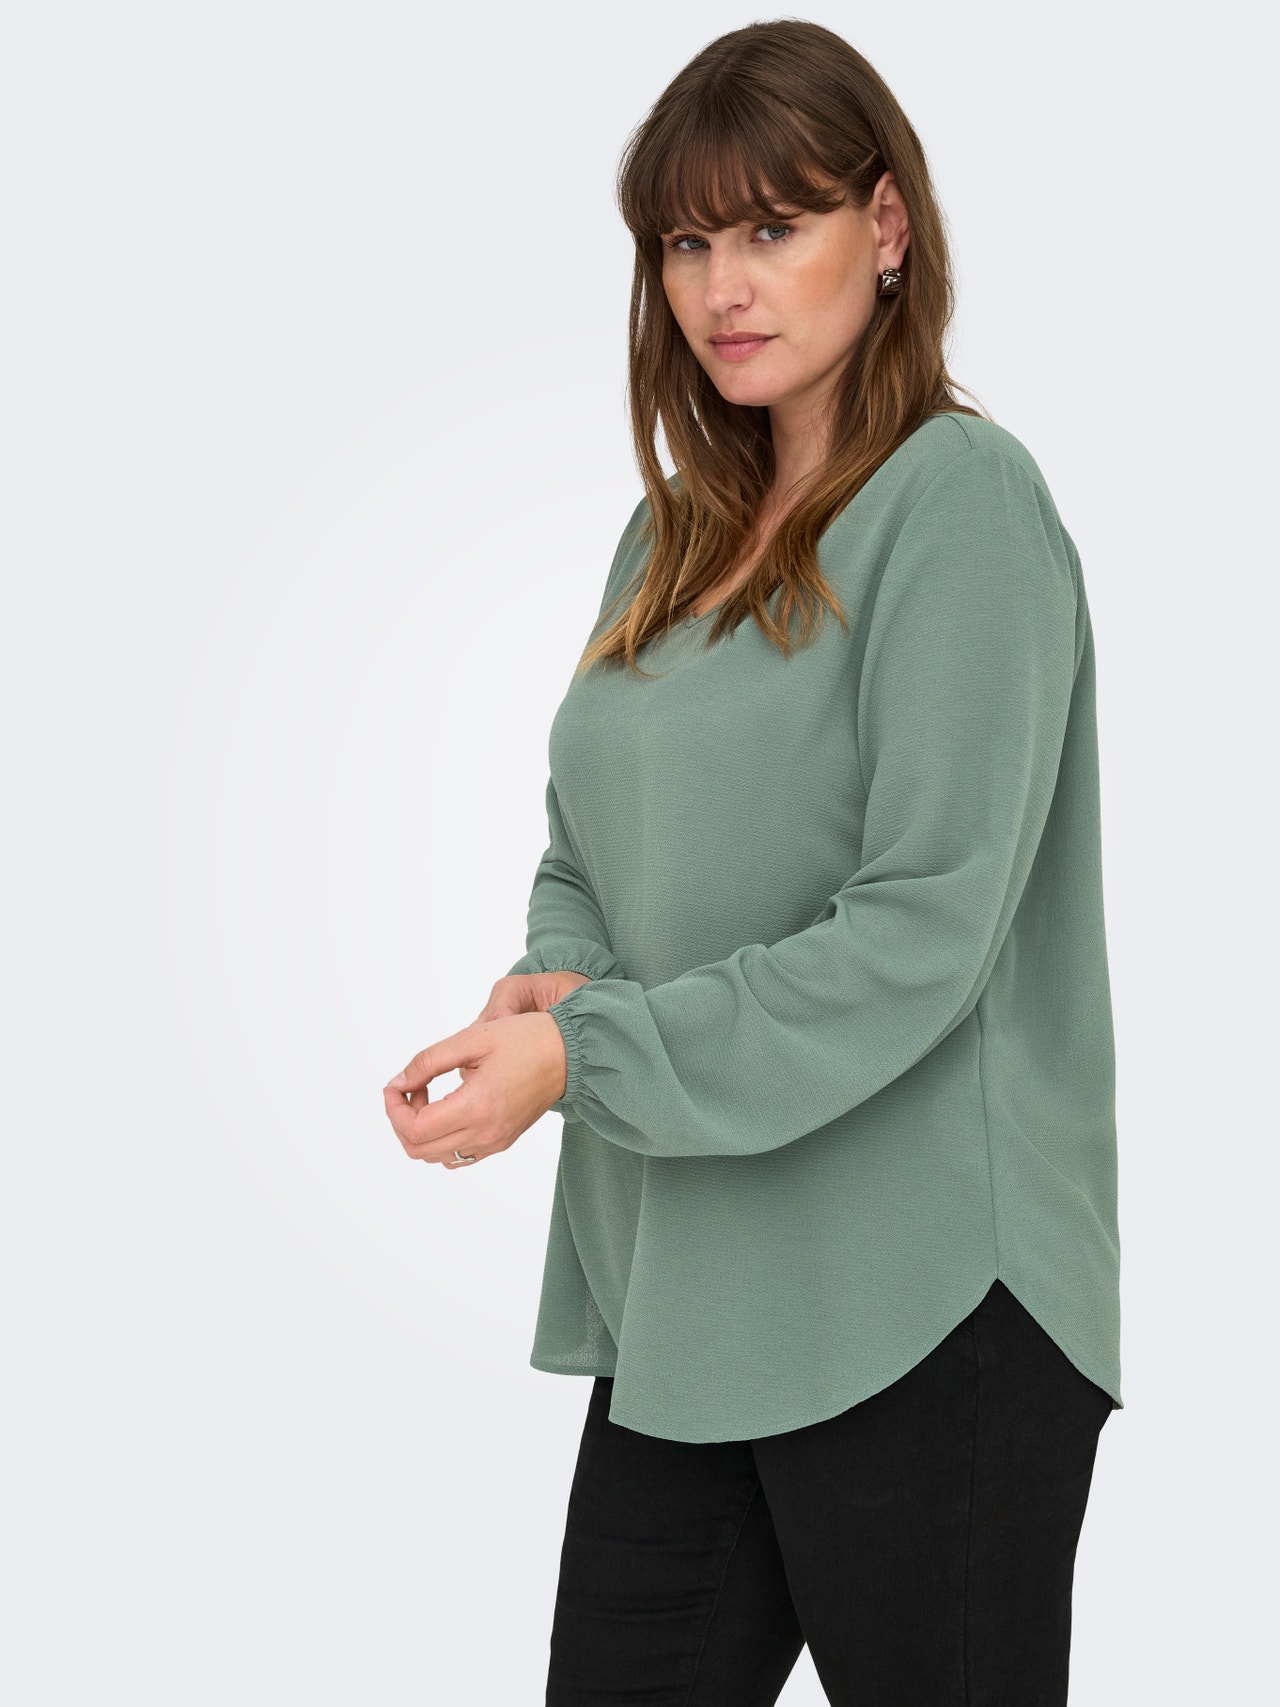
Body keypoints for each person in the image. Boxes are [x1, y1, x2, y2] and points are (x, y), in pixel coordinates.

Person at [383, 18, 1122, 1705]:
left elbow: (923, 930)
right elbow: (584, 841)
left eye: (774, 227)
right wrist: (559, 988)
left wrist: (587, 1055)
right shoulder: (669, 536)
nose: (722, 286)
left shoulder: (961, 501)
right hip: (693, 1292)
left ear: (887, 225)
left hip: (924, 1295)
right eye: (686, 241)